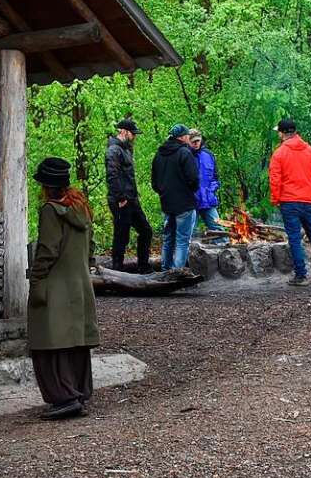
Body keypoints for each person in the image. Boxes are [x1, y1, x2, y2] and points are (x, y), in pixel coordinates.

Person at [28, 157, 100, 420]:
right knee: (75, 341)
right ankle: (79, 392)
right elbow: (91, 247)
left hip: (55, 285)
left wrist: (36, 280)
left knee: (51, 340)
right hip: (80, 284)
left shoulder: (51, 210)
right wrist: (85, 267)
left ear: (46, 186)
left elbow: (47, 250)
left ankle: (64, 396)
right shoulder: (81, 208)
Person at [268, 119, 311, 286]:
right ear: (295, 132)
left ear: (282, 133)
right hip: (307, 200)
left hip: (289, 201)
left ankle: (301, 276)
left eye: (279, 131)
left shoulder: (279, 153)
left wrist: (275, 199)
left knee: (294, 239)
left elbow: (275, 179)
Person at [105, 119, 153, 272]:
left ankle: (143, 266)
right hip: (121, 200)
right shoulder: (113, 150)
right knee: (121, 235)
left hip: (132, 199)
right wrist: (120, 198)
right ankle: (116, 271)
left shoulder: (126, 149)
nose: (134, 137)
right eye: (133, 134)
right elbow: (112, 176)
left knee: (145, 230)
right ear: (124, 132)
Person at [151, 124, 199, 270]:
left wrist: (163, 192)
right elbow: (193, 179)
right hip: (184, 204)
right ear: (183, 137)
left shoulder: (159, 154)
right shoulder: (185, 153)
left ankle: (166, 270)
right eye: (187, 136)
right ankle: (177, 274)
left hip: (167, 203)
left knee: (168, 239)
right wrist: (190, 191)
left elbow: (154, 182)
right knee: (182, 240)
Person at [189, 129, 225, 237]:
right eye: (193, 141)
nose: (196, 143)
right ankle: (188, 253)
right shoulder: (184, 155)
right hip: (190, 201)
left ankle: (225, 251)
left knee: (219, 230)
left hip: (207, 199)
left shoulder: (208, 155)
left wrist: (211, 190)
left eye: (198, 141)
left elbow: (215, 177)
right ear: (188, 141)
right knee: (189, 232)